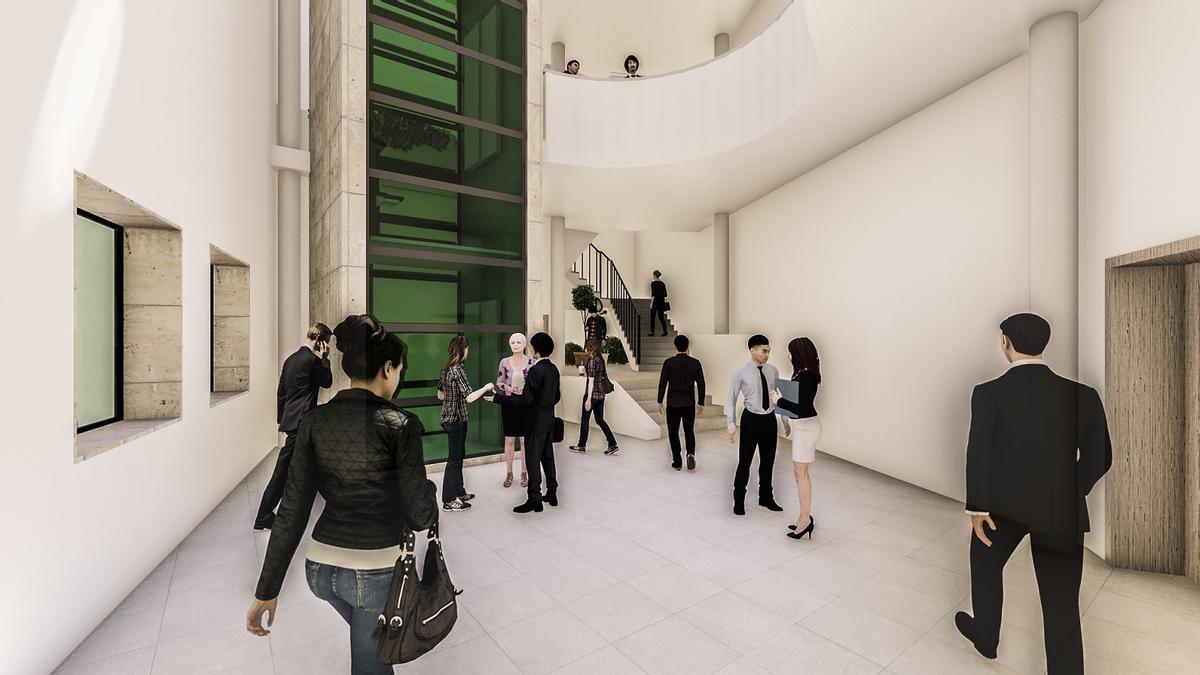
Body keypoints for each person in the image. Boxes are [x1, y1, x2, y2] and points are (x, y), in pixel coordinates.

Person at [246, 314, 439, 675]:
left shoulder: (313, 423)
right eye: (399, 369)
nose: (399, 377)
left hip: (319, 571)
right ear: (387, 368)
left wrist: (266, 590)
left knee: (372, 641)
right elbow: (420, 515)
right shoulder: (401, 425)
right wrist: (427, 488)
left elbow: (292, 510)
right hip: (372, 572)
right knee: (372, 663)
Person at [955, 313, 1111, 675]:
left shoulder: (989, 392)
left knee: (984, 564)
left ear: (1005, 343)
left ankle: (986, 636)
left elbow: (978, 453)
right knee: (1061, 604)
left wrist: (977, 508)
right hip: (1062, 510)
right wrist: (1072, 489)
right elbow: (1101, 456)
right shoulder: (1084, 396)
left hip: (1001, 508)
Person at [254, 322, 333, 531]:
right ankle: (263, 516)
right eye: (327, 343)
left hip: (294, 422)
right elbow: (327, 382)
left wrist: (284, 419)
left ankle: (335, 506)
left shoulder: (291, 360)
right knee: (282, 472)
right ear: (320, 341)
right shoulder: (313, 361)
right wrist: (325, 359)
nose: (327, 347)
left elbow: (281, 392)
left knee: (317, 466)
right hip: (303, 424)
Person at [486, 332, 561, 513]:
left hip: (534, 423)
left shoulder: (536, 370)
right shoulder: (553, 369)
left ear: (535, 349)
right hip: (548, 421)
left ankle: (534, 499)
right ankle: (552, 493)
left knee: (533, 461)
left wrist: (498, 399)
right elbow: (556, 396)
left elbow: (524, 400)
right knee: (548, 458)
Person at [726, 334, 783, 515]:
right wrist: (731, 424)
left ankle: (766, 498)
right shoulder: (740, 372)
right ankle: (739, 501)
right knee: (745, 462)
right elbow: (731, 398)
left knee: (768, 462)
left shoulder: (773, 371)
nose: (767, 355)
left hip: (769, 419)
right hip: (750, 419)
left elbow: (777, 395)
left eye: (768, 351)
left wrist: (785, 420)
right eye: (764, 351)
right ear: (752, 350)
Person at [770, 337, 821, 540]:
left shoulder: (806, 376)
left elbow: (802, 408)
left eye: (789, 351)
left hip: (807, 428)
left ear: (798, 353)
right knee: (800, 474)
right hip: (804, 427)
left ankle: (805, 520)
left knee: (802, 475)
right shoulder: (803, 374)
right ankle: (803, 517)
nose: (788, 355)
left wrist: (779, 400)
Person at [436, 335, 493, 512]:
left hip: (448, 417)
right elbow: (469, 397)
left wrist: (452, 398)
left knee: (458, 456)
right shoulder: (457, 370)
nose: (468, 351)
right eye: (467, 348)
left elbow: (440, 395)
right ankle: (448, 500)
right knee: (454, 459)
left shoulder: (446, 368)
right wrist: (485, 387)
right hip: (456, 420)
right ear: (462, 349)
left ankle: (459, 492)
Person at [657, 334, 705, 470]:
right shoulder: (695, 363)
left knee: (673, 432)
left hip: (673, 404)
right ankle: (690, 454)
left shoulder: (668, 363)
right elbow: (701, 384)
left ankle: (677, 461)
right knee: (689, 431)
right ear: (688, 346)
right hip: (689, 404)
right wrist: (701, 402)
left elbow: (662, 383)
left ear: (675, 346)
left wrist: (659, 401)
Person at [569, 339, 619, 455]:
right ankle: (612, 443)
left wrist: (588, 399)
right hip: (601, 395)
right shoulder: (600, 360)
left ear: (589, 348)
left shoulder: (592, 361)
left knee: (585, 420)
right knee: (600, 420)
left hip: (592, 395)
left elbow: (591, 382)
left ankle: (581, 445)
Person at [496, 333, 532, 488]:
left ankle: (524, 472)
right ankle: (509, 473)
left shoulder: (532, 362)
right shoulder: (504, 362)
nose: (515, 344)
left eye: (518, 342)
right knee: (509, 440)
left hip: (525, 405)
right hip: (509, 403)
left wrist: (525, 391)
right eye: (512, 342)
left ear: (524, 344)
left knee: (524, 441)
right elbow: (499, 382)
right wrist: (510, 388)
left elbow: (535, 383)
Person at [649, 270, 668, 336]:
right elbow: (665, 294)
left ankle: (652, 332)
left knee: (652, 318)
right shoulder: (663, 283)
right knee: (661, 317)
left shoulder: (653, 283)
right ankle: (665, 331)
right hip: (661, 302)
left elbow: (653, 294)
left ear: (654, 275)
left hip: (655, 302)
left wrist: (651, 303)